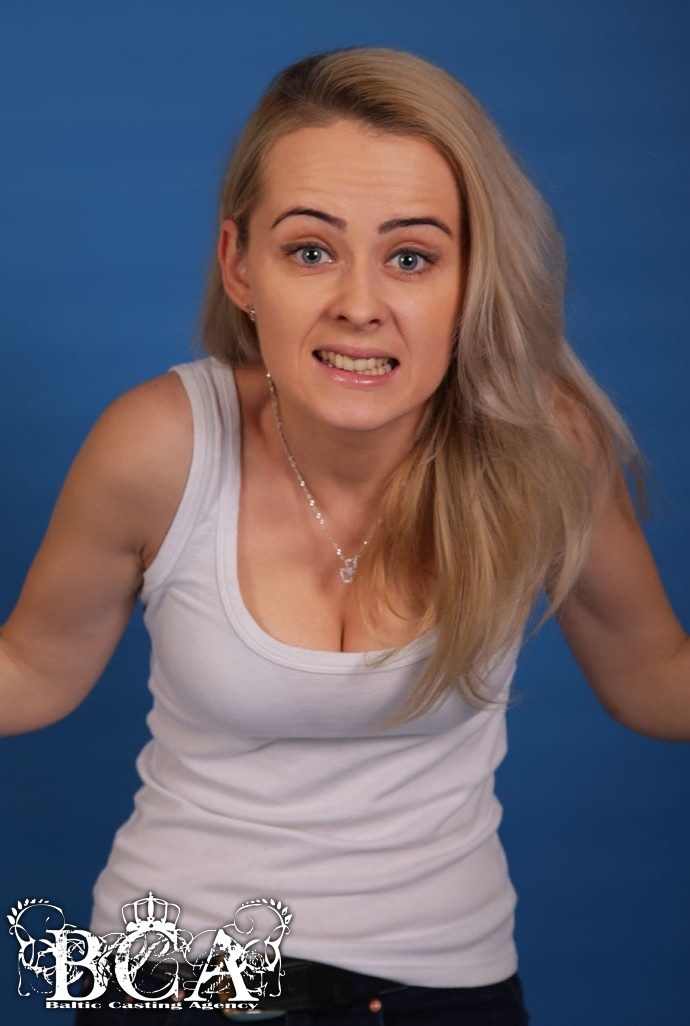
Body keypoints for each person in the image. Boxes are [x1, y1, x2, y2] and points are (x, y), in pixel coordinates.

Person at [1, 47, 688, 1025]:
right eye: (311, 250)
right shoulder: (158, 445)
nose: (360, 304)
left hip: (444, 991)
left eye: (411, 257)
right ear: (241, 266)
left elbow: (654, 675)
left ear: (471, 276)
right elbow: (31, 669)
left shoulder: (545, 449)